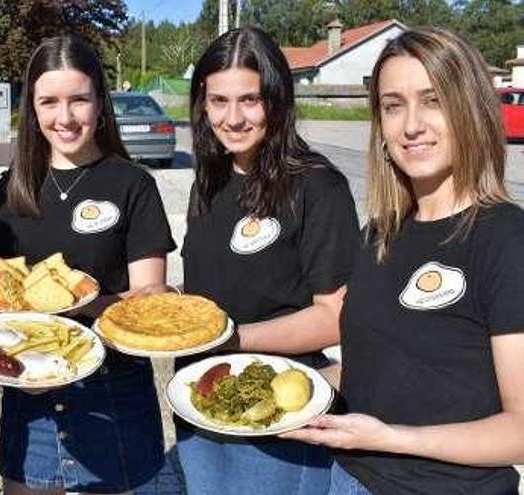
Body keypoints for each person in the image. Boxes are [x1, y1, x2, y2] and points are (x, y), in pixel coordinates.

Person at [282, 27, 524, 494]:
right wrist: (287, 383)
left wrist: (392, 438)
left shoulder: (506, 238)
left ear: (470, 108)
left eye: (432, 100)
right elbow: (374, 366)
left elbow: (520, 430)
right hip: (346, 479)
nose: (411, 125)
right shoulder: (378, 234)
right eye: (393, 105)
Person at [0, 34, 176, 494]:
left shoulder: (133, 185)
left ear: (100, 103)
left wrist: (80, 306)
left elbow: (147, 300)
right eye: (49, 101)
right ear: (32, 108)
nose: (64, 118)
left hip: (114, 397)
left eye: (79, 100)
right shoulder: (12, 188)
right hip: (30, 393)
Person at [177, 26, 359, 495]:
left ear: (277, 101)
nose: (232, 118)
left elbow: (336, 316)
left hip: (280, 414)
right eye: (218, 101)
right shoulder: (209, 183)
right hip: (203, 401)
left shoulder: (319, 186)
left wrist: (232, 340)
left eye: (250, 100)